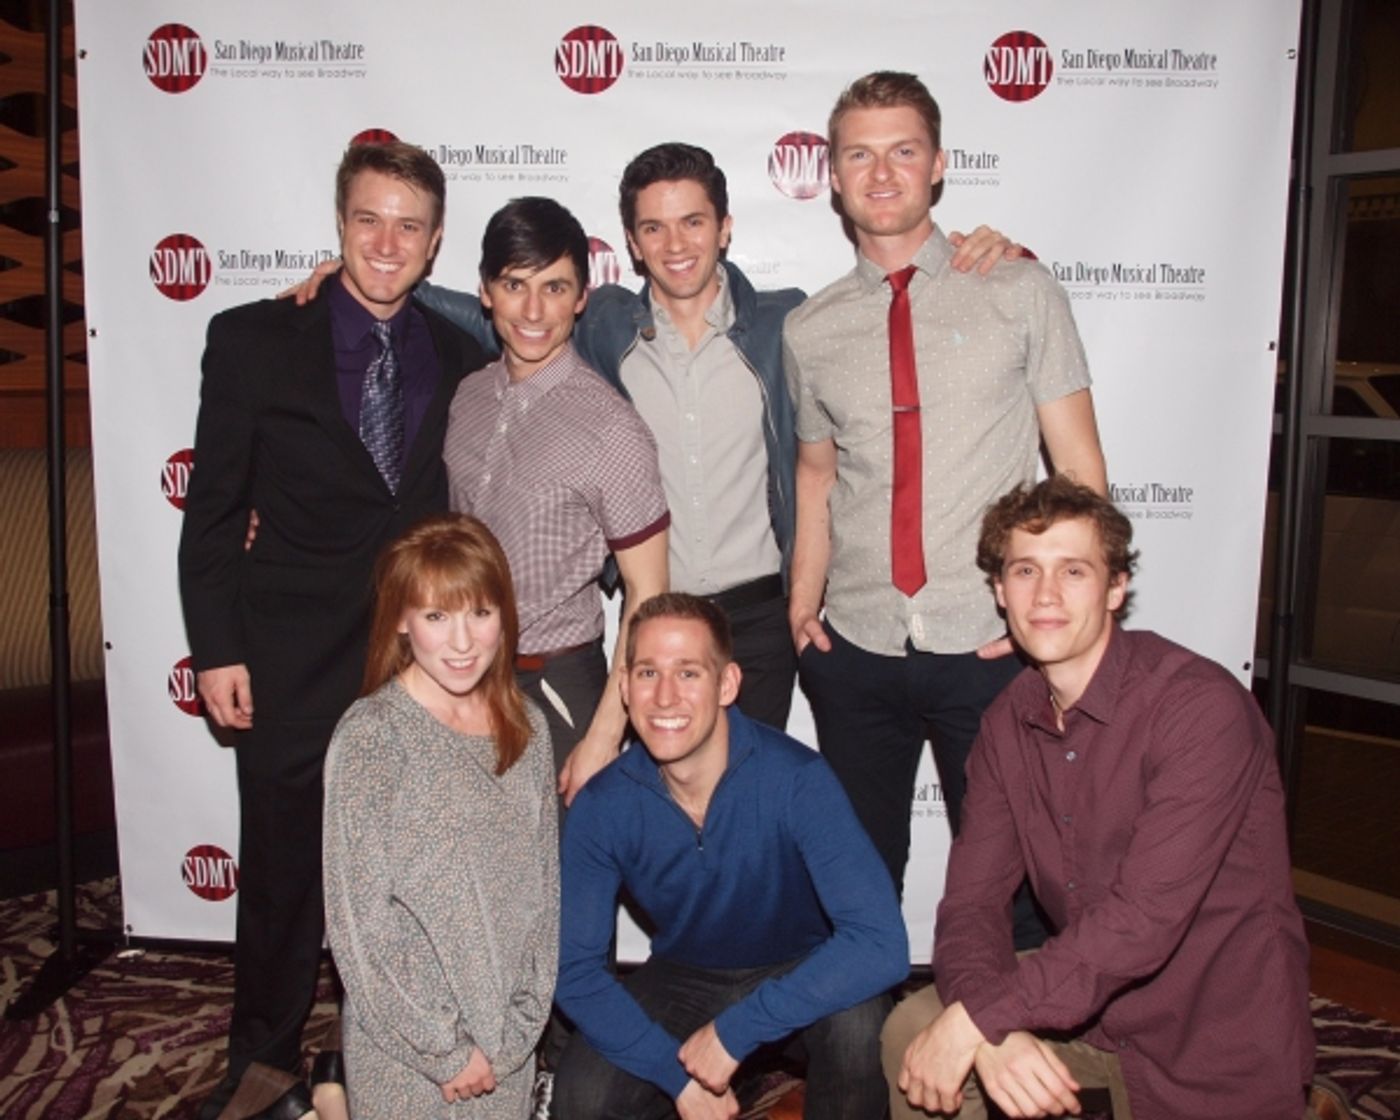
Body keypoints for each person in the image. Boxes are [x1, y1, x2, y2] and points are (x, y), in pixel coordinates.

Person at [304, 143, 1016, 735]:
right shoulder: (604, 323)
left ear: (725, 227)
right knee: (661, 823)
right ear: (632, 244)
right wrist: (366, 282)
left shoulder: (785, 324)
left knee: (748, 821)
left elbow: (874, 315)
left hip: (762, 618)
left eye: (693, 223)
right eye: (653, 228)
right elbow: (501, 307)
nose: (675, 246)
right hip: (654, 617)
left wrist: (977, 254)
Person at [178, 140, 489, 1118]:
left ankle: (384, 1054)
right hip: (282, 655)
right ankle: (261, 1061)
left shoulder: (467, 355)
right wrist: (218, 645)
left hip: (414, 667)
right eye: (368, 219)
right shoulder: (252, 341)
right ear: (339, 225)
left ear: (435, 242)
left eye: (408, 225)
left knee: (405, 880)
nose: (386, 241)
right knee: (278, 876)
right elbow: (214, 512)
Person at [882, 476, 1317, 1120]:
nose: (1046, 594)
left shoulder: (1199, 708)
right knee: (915, 1031)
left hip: (1215, 1053)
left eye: (1074, 571)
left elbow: (1142, 923)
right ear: (999, 592)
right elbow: (972, 904)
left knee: (958, 1032)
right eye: (1025, 570)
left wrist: (983, 1017)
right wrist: (984, 1023)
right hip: (1088, 1025)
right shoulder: (1009, 721)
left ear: (1117, 589)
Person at [783, 71, 1108, 908]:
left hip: (988, 649)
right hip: (854, 651)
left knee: (1023, 894)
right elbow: (817, 473)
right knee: (853, 897)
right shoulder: (809, 329)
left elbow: (1079, 475)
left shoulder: (1017, 289)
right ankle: (866, 1046)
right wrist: (803, 600)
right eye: (859, 154)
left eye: (903, 151)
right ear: (832, 173)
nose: (881, 173)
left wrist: (1052, 617)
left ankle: (1027, 1042)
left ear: (939, 166)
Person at [551, 592, 909, 1120]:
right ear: (624, 687)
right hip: (685, 972)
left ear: (727, 684)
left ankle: (754, 1064)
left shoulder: (797, 779)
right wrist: (676, 1078)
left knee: (860, 1031)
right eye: (648, 673)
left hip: (799, 967)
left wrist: (736, 1032)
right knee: (582, 1098)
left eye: (689, 673)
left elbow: (881, 943)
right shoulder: (603, 805)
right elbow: (575, 974)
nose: (665, 697)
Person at [323, 514, 558, 1118]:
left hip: (507, 1042)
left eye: (480, 613)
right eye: (436, 617)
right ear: (402, 621)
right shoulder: (372, 737)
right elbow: (360, 924)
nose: (462, 642)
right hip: (408, 1048)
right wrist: (444, 1048)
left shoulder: (526, 726)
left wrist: (520, 1028)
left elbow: (544, 893)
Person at [442, 196, 670, 809]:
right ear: (486, 291)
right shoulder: (465, 397)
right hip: (456, 679)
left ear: (581, 297)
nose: (534, 310)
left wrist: (605, 734)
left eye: (555, 287)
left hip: (555, 685)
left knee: (562, 893)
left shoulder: (611, 428)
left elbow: (648, 595)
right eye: (515, 285)